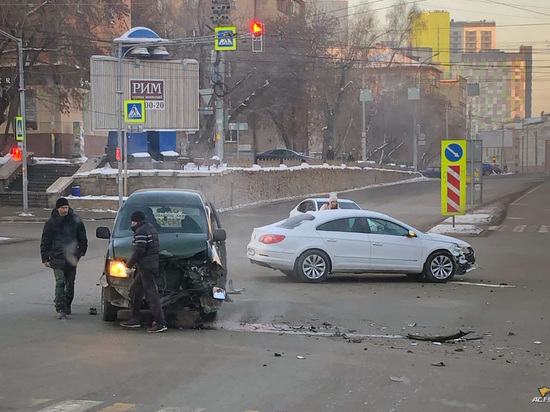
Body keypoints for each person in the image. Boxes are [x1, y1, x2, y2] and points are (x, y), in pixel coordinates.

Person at [120, 210, 167, 333]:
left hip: (146, 267)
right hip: (148, 266)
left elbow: (139, 250)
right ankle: (135, 318)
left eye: (132, 221)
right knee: (135, 291)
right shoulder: (150, 228)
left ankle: (160, 322)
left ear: (135, 221)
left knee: (152, 295)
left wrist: (129, 265)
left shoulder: (141, 231)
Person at [40, 197, 88, 320]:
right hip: (57, 257)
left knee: (70, 283)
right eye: (62, 208)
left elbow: (82, 238)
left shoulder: (75, 221)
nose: (65, 210)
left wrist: (80, 253)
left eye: (66, 207)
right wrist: (45, 258)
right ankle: (60, 307)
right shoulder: (51, 222)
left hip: (72, 257)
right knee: (60, 282)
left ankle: (67, 304)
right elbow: (45, 240)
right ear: (57, 209)